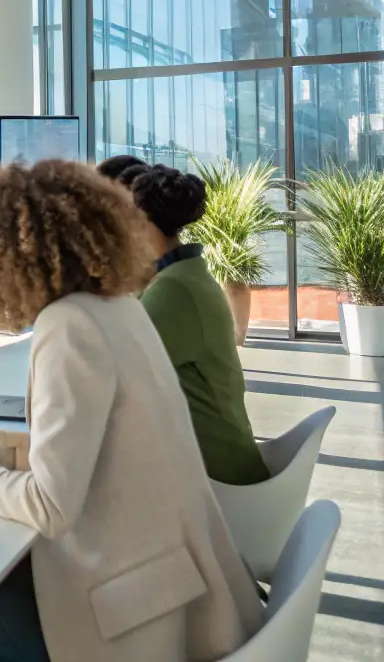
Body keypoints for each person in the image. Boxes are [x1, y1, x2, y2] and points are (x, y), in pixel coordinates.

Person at [0, 160, 262, 662]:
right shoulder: (117, 307)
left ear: (1, 256)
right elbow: (94, 446)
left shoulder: (68, 326)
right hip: (174, 580)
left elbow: (50, 507)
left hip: (128, 611)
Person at [98, 160, 269, 487]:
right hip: (221, 462)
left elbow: (115, 379)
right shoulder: (187, 274)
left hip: (215, 483)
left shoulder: (173, 291)